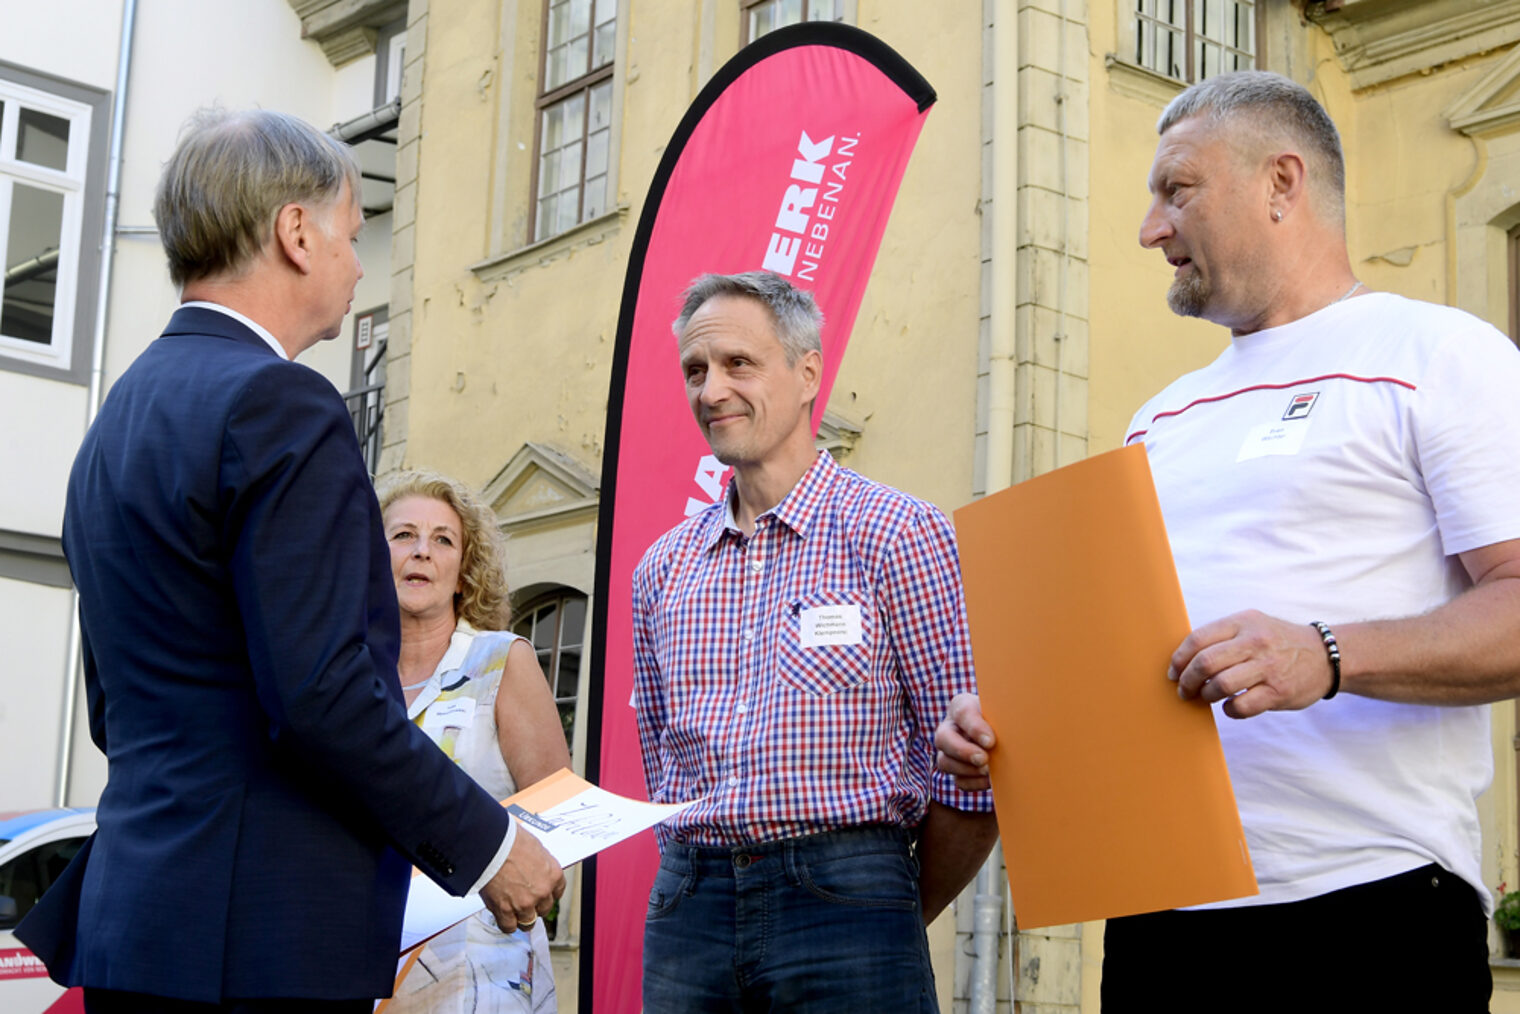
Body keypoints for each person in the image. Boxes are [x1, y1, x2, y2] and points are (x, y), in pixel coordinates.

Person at [936, 71, 1520, 1011]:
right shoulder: (1161, 417)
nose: (1149, 229)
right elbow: (1124, 659)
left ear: (1281, 182)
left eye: (1177, 190)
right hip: (1159, 916)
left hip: (1367, 907)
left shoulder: (1442, 356)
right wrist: (1011, 721)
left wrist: (1326, 654)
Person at [17, 108, 563, 1013]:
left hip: (139, 924)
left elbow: (115, 710)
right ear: (296, 233)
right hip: (259, 939)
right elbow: (322, 697)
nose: (358, 264)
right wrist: (491, 847)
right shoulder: (281, 402)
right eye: (352, 232)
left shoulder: (117, 417)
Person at [632, 270, 999, 1013]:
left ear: (807, 374)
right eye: (696, 370)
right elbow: (661, 763)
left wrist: (882, 906)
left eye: (738, 363)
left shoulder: (899, 533)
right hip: (689, 907)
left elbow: (975, 769)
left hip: (848, 895)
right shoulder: (661, 568)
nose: (711, 390)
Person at [377, 470, 571, 1014]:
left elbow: (558, 818)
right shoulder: (346, 678)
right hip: (361, 958)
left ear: (463, 574)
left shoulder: (501, 660)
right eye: (404, 535)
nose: (422, 550)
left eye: (443, 540)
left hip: (482, 967)